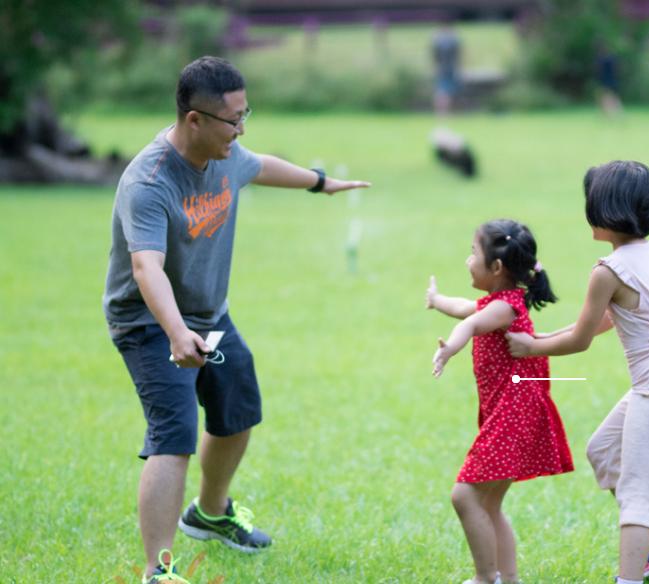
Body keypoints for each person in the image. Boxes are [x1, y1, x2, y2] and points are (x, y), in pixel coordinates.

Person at [103, 56, 371, 583]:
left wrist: (321, 183)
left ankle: (209, 513)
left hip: (208, 316)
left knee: (237, 412)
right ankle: (158, 571)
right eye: (233, 120)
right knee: (173, 434)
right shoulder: (150, 182)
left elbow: (257, 164)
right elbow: (145, 267)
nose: (241, 129)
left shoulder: (224, 152)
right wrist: (177, 333)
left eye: (246, 115)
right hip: (150, 325)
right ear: (194, 119)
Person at [507, 161, 649, 584]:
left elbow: (581, 339)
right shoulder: (642, 256)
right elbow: (603, 321)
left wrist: (532, 347)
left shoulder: (608, 271)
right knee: (603, 449)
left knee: (637, 494)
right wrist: (543, 338)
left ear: (605, 208)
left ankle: (630, 576)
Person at [428, 219, 573, 584]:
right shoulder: (501, 301)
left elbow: (470, 324)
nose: (467, 260)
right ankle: (507, 579)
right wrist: (437, 301)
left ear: (496, 268)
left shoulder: (505, 309)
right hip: (512, 413)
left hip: (514, 414)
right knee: (488, 503)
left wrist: (450, 350)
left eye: (473, 253)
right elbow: (466, 309)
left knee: (465, 497)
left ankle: (485, 578)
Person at [432, 19, 462, 116]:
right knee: (444, 92)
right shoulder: (452, 40)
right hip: (447, 69)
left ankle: (443, 112)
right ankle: (443, 112)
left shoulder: (438, 40)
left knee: (443, 92)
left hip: (445, 69)